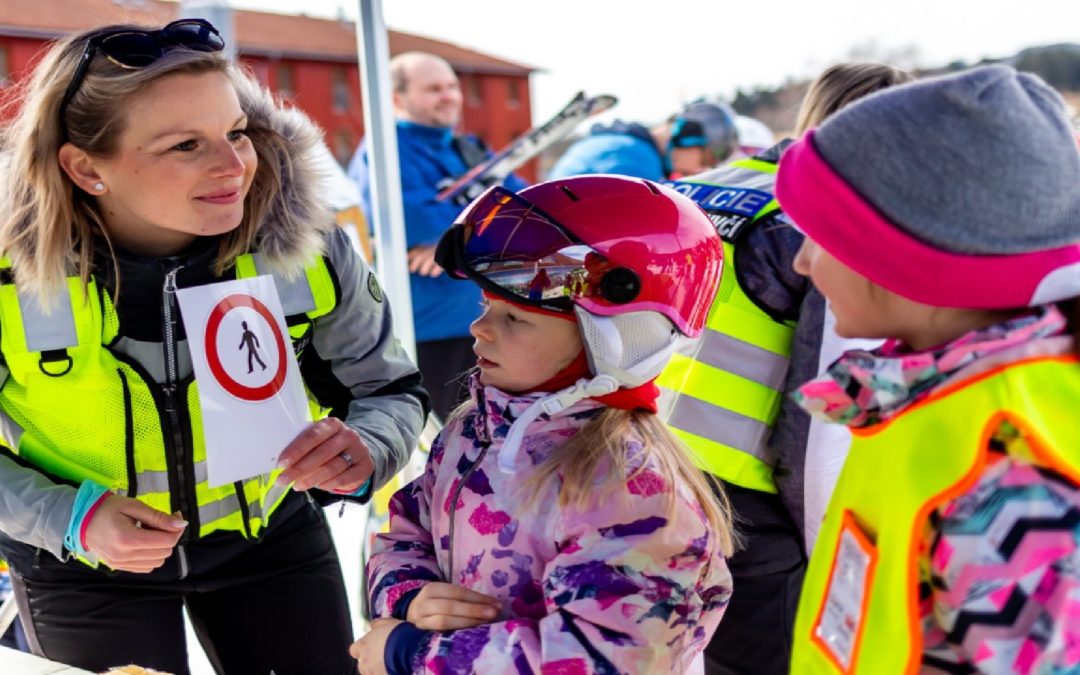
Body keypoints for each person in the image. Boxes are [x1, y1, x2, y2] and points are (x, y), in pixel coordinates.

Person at [0, 19, 426, 674]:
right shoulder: (9, 276)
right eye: (184, 146)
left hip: (272, 541)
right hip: (80, 562)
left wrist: (368, 446)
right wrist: (72, 517)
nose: (235, 166)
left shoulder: (304, 244)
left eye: (236, 133)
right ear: (86, 168)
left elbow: (390, 390)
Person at [350, 175, 736, 675]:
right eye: (488, 306)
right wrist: (410, 595)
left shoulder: (630, 489)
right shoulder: (474, 430)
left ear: (614, 338)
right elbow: (406, 527)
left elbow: (603, 661)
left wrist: (413, 656)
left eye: (517, 319)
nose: (479, 328)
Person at [778, 65, 1080, 673]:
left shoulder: (1009, 486)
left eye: (822, 237)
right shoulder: (918, 396)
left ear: (908, 257)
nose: (803, 264)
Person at [659, 62, 913, 675]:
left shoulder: (692, 189)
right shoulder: (828, 218)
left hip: (637, 464)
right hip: (743, 504)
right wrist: (822, 539)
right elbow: (820, 413)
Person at [349, 52, 527, 422]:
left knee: (500, 435)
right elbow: (413, 220)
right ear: (398, 99)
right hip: (430, 333)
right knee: (454, 441)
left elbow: (525, 212)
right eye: (433, 89)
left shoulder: (470, 149)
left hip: (492, 319)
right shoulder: (386, 150)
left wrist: (454, 244)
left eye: (451, 87)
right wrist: (469, 234)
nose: (448, 96)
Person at [547, 100, 738, 181]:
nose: (700, 170)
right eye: (705, 160)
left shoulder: (622, 143)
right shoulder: (639, 161)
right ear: (687, 136)